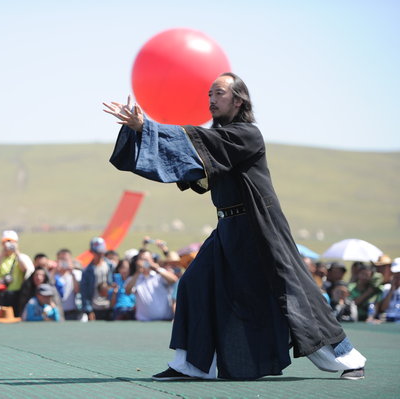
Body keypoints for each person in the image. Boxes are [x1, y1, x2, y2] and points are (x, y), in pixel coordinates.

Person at [104, 72, 366, 380]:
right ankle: (191, 364)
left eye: (219, 94)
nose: (211, 100)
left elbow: (197, 144)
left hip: (259, 228)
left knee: (290, 293)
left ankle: (347, 358)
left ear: (238, 100)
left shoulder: (247, 135)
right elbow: (195, 167)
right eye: (209, 95)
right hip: (227, 228)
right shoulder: (219, 141)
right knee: (193, 284)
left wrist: (146, 128)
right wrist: (144, 131)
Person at [125, 249, 178, 321]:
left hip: (164, 320)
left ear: (152, 260)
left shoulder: (159, 275)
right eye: (141, 259)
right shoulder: (134, 278)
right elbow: (127, 291)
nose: (144, 262)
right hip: (144, 321)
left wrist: (157, 268)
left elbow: (173, 280)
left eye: (146, 259)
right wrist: (138, 272)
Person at [80, 237, 114, 321]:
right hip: (95, 308)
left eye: (102, 252)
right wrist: (89, 310)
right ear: (92, 252)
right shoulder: (87, 271)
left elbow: (113, 283)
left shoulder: (109, 266)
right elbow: (84, 292)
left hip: (109, 306)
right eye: (97, 252)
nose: (100, 254)